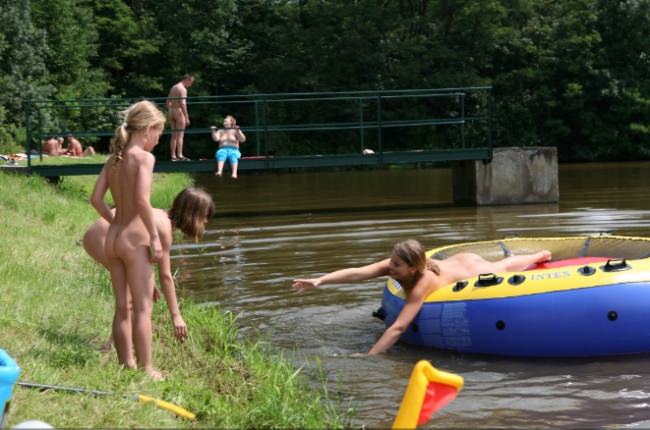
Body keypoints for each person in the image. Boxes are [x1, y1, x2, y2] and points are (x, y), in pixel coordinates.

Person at [292, 239, 552, 356]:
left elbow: (400, 327)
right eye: (391, 262)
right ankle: (536, 256)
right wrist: (320, 280)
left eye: (396, 266)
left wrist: (370, 355)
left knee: (503, 267)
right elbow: (359, 273)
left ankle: (539, 256)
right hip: (454, 262)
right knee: (502, 265)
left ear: (412, 269)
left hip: (470, 269)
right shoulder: (401, 266)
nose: (389, 268)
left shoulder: (422, 283)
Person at [83, 187, 215, 352]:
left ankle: (111, 345)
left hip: (98, 235)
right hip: (100, 238)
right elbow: (166, 276)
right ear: (193, 215)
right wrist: (176, 316)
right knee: (134, 299)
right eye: (204, 218)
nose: (206, 223)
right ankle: (115, 347)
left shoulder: (160, 216)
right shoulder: (165, 228)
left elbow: (138, 245)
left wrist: (145, 280)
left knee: (136, 293)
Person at [90, 100, 166, 379]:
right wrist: (155, 238)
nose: (158, 140)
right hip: (135, 240)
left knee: (123, 307)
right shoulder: (144, 158)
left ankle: (126, 365)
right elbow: (142, 200)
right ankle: (147, 369)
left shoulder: (114, 159)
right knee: (143, 308)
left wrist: (115, 224)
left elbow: (96, 199)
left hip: (113, 238)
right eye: (159, 133)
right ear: (148, 129)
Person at [166, 74, 194, 161]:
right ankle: (180, 155)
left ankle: (173, 156)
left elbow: (168, 100)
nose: (191, 85)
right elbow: (183, 103)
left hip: (171, 111)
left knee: (173, 135)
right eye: (191, 82)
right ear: (187, 80)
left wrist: (170, 109)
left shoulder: (174, 87)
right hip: (179, 111)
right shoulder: (183, 89)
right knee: (180, 135)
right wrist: (186, 117)